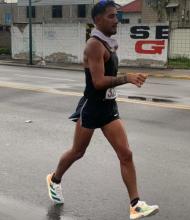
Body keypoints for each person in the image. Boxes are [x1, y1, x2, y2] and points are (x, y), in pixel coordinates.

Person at [45, 1, 159, 219]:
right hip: (92, 107)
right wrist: (127, 78)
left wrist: (125, 77)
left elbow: (106, 75)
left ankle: (135, 205)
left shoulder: (107, 44)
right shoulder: (94, 45)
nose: (116, 20)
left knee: (126, 154)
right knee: (77, 152)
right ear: (97, 20)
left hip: (108, 108)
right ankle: (55, 178)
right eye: (111, 16)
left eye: (116, 16)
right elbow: (97, 82)